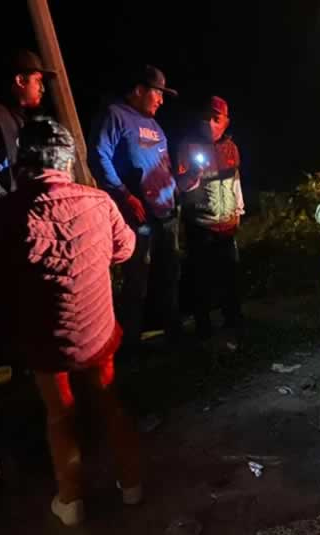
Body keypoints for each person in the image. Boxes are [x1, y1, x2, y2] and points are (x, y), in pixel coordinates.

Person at [0, 118, 140, 526]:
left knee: (60, 415)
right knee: (110, 403)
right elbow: (126, 248)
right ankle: (131, 486)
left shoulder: (9, 212)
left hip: (47, 340)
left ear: (25, 162)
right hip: (97, 331)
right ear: (68, 160)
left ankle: (71, 501)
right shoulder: (100, 202)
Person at [88, 65, 200, 361]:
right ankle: (130, 346)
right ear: (139, 90)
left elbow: (161, 167)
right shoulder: (116, 115)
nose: (161, 100)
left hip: (167, 212)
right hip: (139, 215)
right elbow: (99, 156)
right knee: (138, 279)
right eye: (158, 93)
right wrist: (124, 195)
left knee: (169, 276)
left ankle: (172, 334)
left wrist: (180, 183)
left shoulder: (156, 127)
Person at [177, 96, 245, 349]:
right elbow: (180, 186)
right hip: (201, 225)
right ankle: (203, 328)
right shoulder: (187, 146)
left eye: (216, 119)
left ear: (226, 122)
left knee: (230, 277)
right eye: (206, 118)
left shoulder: (231, 148)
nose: (209, 124)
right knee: (201, 280)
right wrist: (192, 176)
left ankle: (234, 321)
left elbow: (235, 182)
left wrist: (238, 211)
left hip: (227, 225)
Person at [0, 50, 54, 204]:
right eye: (38, 81)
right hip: (2, 215)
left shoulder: (27, 120)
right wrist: (5, 204)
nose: (42, 89)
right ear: (20, 80)